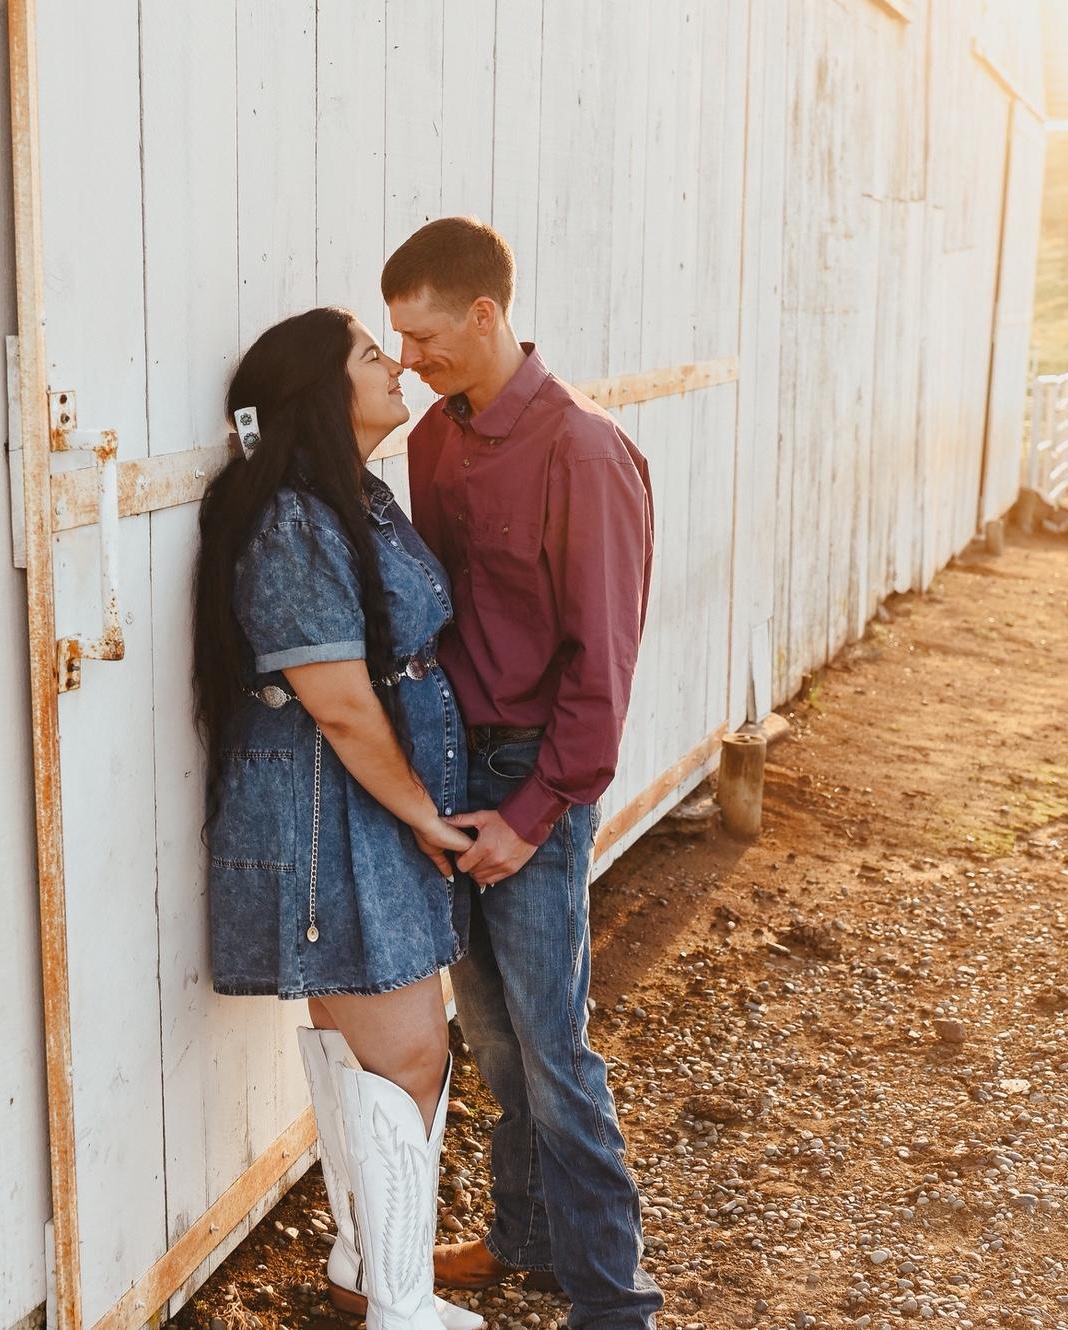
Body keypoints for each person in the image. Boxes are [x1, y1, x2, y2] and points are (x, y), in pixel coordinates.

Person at [382, 218, 662, 1329]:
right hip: (450, 767)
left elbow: (604, 663)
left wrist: (534, 813)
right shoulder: (432, 440)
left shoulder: (583, 451)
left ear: (486, 313)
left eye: (423, 336)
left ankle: (612, 1300)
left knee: (551, 1045)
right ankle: (526, 1236)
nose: (407, 359)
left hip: (533, 773)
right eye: (397, 340)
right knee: (493, 1037)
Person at [192, 306, 483, 1330]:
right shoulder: (294, 525)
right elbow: (343, 706)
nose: (397, 365)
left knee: (381, 1053)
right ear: (321, 392)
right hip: (335, 816)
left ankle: (371, 1278)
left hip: (362, 807)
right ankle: (401, 1307)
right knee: (408, 1054)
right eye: (371, 354)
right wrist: (427, 817)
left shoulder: (355, 498)